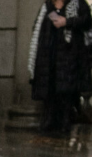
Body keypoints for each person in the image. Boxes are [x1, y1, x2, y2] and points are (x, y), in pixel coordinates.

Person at [29, 0, 89, 135]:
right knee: (49, 91)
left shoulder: (78, 4)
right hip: (49, 56)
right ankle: (49, 122)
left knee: (66, 91)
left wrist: (67, 22)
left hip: (70, 56)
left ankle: (65, 122)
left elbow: (86, 21)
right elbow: (38, 29)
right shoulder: (47, 7)